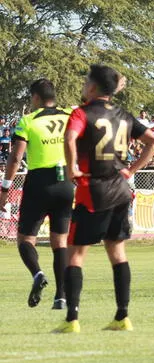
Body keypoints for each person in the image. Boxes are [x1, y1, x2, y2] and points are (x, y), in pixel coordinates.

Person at [53, 65, 154, 333]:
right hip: (121, 191)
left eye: (86, 81)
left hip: (93, 191)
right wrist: (131, 171)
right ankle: (122, 316)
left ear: (92, 87)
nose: (83, 85)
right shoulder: (124, 115)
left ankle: (72, 321)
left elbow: (69, 137)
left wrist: (72, 167)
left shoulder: (82, 113)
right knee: (118, 253)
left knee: (75, 254)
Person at [0, 79, 74, 310]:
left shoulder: (28, 121)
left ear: (35, 98)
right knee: (60, 242)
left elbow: (15, 157)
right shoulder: (69, 115)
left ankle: (37, 273)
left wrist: (4, 189)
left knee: (25, 239)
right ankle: (61, 296)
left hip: (38, 182)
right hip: (65, 182)